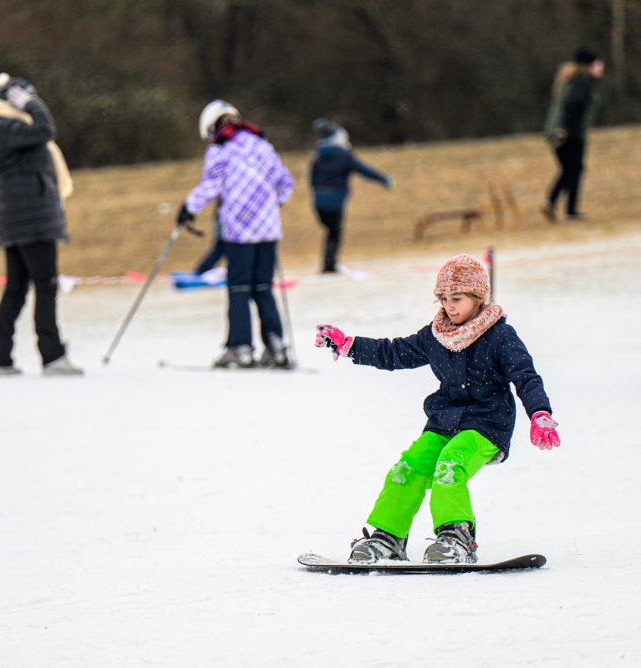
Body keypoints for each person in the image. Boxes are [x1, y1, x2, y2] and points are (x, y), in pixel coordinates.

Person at [314, 254, 560, 564]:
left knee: (450, 466)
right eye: (442, 299)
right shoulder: (436, 335)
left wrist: (540, 413)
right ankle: (388, 537)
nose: (449, 306)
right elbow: (395, 352)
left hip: (487, 425)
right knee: (408, 468)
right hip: (444, 422)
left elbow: (525, 376)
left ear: (478, 297)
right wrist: (350, 345)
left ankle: (456, 537)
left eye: (456, 298)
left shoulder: (499, 336)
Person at [177, 100, 295, 368]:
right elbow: (285, 183)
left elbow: (211, 185)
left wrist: (188, 208)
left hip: (239, 233)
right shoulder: (263, 145)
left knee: (239, 289)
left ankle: (239, 348)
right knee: (263, 288)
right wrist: (272, 205)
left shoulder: (221, 150)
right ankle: (276, 346)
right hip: (268, 230)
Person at [0, 73, 83, 376]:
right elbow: (46, 130)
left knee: (16, 287)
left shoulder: (3, 127)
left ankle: (0, 357)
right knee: (45, 285)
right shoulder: (6, 127)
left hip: (19, 217)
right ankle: (52, 356)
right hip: (30, 218)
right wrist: (35, 105)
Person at [309, 119, 393, 274]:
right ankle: (330, 264)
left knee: (330, 231)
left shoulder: (318, 156)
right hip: (335, 201)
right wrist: (384, 179)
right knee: (335, 232)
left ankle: (329, 262)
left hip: (318, 201)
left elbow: (312, 179)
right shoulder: (344, 156)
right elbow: (364, 170)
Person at [543, 48, 604, 222]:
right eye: (597, 64)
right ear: (589, 66)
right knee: (574, 170)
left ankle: (557, 205)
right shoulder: (582, 83)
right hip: (569, 134)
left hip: (557, 132)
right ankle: (564, 208)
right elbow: (571, 106)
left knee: (571, 170)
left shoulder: (573, 80)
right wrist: (570, 131)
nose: (601, 67)